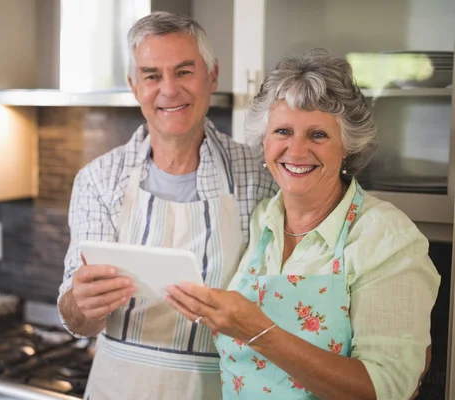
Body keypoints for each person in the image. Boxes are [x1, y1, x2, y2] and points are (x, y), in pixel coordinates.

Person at [165, 49, 440, 400]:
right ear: (264, 141)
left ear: (348, 147)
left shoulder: (384, 236)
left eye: (318, 135)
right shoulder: (260, 219)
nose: (296, 151)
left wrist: (257, 331)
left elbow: (387, 388)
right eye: (282, 131)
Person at [56, 11, 277, 400]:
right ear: (134, 85)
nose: (169, 90)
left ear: (213, 76)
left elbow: (277, 301)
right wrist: (82, 304)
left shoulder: (258, 176)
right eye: (152, 75)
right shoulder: (98, 179)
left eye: (184, 72)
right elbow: (76, 318)